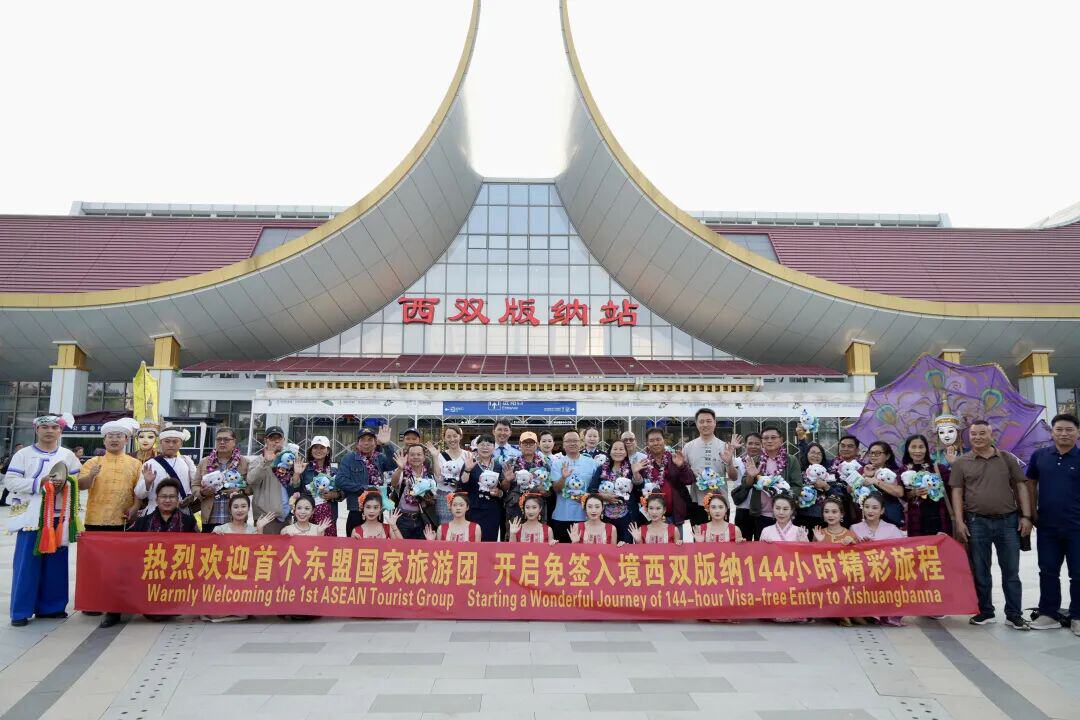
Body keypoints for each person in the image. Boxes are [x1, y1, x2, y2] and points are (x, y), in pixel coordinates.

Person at [949, 419, 1033, 630]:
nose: (977, 437)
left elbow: (1021, 486)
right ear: (969, 437)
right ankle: (986, 611)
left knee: (1011, 571)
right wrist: (959, 521)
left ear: (991, 434)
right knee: (980, 570)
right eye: (974, 434)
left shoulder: (1006, 458)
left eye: (982, 433)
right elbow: (957, 492)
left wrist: (1026, 516)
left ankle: (1014, 614)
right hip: (976, 522)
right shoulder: (961, 462)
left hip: (1008, 521)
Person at [4, 414, 82, 627]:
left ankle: (52, 607)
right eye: (45, 427)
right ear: (36, 430)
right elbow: (11, 482)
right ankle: (21, 611)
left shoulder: (67, 455)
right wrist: (40, 482)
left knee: (56, 564)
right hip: (32, 518)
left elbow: (76, 480)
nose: (49, 431)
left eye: (54, 427)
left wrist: (71, 481)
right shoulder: (23, 455)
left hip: (59, 517)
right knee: (27, 565)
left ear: (60, 431)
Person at [78, 417, 142, 628]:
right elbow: (81, 485)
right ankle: (93, 602)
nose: (114, 440)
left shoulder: (135, 464)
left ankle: (114, 607)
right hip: (95, 520)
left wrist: (135, 508)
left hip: (121, 521)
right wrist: (91, 476)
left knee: (117, 566)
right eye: (110, 436)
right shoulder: (92, 462)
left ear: (126, 440)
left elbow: (138, 492)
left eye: (118, 436)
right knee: (94, 565)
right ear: (104, 440)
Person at [1026, 413, 1080, 633]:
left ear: (1078, 433)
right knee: (1047, 570)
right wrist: (1031, 512)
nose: (1064, 434)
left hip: (1076, 526)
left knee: (1078, 573)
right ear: (1052, 432)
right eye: (1059, 429)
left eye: (1069, 430)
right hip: (1047, 526)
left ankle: (1077, 616)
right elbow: (1030, 483)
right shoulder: (1040, 456)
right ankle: (1048, 613)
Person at [851, 492, 906, 627]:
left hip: (886, 572)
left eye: (875, 508)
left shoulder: (892, 529)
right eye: (867, 507)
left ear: (882, 511)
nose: (870, 511)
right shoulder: (854, 528)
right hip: (862, 573)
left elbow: (902, 552)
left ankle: (886, 613)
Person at [682, 408, 744, 525]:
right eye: (701, 421)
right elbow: (684, 477)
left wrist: (729, 463)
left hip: (720, 502)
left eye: (709, 421)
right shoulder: (688, 447)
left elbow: (734, 477)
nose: (705, 424)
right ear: (696, 424)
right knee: (699, 535)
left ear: (715, 423)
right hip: (697, 502)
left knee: (720, 535)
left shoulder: (725, 446)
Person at [739, 427, 803, 539]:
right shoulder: (756, 460)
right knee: (763, 547)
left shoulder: (791, 460)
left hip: (783, 514)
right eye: (765, 438)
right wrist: (751, 475)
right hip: (761, 514)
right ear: (762, 441)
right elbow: (746, 484)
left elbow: (797, 486)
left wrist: (782, 494)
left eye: (773, 437)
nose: (769, 441)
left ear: (781, 440)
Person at [336, 425, 396, 537]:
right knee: (353, 543)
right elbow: (340, 481)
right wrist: (365, 489)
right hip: (356, 509)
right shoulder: (349, 458)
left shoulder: (380, 458)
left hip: (377, 510)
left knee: (377, 543)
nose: (366, 443)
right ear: (357, 443)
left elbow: (393, 464)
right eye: (363, 440)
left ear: (375, 442)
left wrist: (386, 444)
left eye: (370, 440)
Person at [192, 427, 251, 533]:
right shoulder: (204, 462)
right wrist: (202, 492)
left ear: (234, 442)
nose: (222, 442)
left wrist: (239, 490)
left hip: (235, 520)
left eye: (226, 439)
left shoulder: (244, 462)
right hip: (210, 518)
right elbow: (194, 486)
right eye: (219, 439)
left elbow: (252, 487)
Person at [634, 428, 694, 526]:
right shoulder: (643, 464)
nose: (655, 443)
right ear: (647, 443)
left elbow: (689, 480)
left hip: (674, 515)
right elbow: (638, 490)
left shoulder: (674, 459)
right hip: (651, 516)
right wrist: (636, 474)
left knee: (675, 536)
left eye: (658, 439)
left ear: (664, 441)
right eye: (652, 440)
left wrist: (682, 466)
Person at [814, 496, 859, 625]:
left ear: (841, 514)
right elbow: (814, 560)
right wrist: (820, 542)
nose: (830, 515)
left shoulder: (850, 534)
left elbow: (858, 561)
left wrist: (852, 544)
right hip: (825, 577)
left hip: (845, 578)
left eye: (834, 512)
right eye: (826, 511)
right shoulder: (819, 533)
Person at [135, 426, 198, 518]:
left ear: (181, 444)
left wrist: (191, 497)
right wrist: (147, 483)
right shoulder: (150, 464)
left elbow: (196, 485)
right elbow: (139, 494)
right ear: (161, 442)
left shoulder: (187, 462)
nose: (171, 445)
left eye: (175, 442)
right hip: (155, 513)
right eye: (167, 441)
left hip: (181, 513)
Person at [550, 430, 599, 542]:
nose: (572, 443)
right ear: (563, 444)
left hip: (586, 516)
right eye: (568, 441)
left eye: (575, 440)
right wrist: (563, 477)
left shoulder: (592, 463)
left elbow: (596, 489)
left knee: (585, 551)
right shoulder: (557, 463)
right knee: (563, 550)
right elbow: (556, 489)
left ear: (580, 443)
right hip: (562, 516)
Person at [588, 439, 638, 543]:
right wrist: (603, 496)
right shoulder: (601, 469)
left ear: (626, 452)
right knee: (607, 545)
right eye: (615, 449)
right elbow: (591, 489)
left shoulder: (632, 469)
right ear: (609, 452)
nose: (618, 452)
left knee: (625, 546)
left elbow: (639, 490)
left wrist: (637, 474)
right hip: (606, 516)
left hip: (627, 516)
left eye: (621, 449)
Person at [901, 434, 952, 537]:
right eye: (913, 447)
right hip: (916, 522)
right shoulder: (903, 470)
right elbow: (903, 495)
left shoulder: (938, 468)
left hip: (940, 520)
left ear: (926, 449)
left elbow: (953, 489)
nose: (917, 451)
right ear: (907, 449)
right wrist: (913, 493)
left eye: (921, 447)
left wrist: (953, 464)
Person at [460, 434, 506, 541]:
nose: (485, 447)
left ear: (494, 448)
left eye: (489, 445)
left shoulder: (498, 466)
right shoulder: (470, 463)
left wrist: (499, 492)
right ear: (477, 447)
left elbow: (503, 491)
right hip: (474, 509)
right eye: (482, 445)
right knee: (473, 540)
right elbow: (463, 486)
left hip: (492, 510)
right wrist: (467, 470)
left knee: (490, 541)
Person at [246, 426, 292, 534]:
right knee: (266, 545)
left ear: (283, 440)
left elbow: (294, 485)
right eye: (272, 438)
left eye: (279, 438)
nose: (276, 441)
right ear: (265, 440)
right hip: (266, 518)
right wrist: (265, 462)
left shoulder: (289, 460)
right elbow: (251, 480)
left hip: (287, 517)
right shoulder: (258, 460)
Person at [292, 436, 341, 537]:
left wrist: (334, 494)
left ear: (328, 451)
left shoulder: (334, 471)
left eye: (322, 448)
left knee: (327, 544)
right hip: (305, 516)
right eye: (315, 447)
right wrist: (297, 473)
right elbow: (295, 488)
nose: (318, 450)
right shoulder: (304, 468)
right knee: (305, 544)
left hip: (328, 518)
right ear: (311, 450)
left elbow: (343, 492)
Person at [391, 443, 441, 539]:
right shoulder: (402, 471)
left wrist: (435, 457)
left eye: (419, 454)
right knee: (401, 546)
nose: (416, 457)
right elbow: (394, 483)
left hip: (423, 517)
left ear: (424, 457)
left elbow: (438, 477)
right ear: (407, 457)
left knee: (421, 546)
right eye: (412, 455)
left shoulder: (429, 474)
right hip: (403, 518)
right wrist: (400, 468)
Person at [502, 431, 549, 527]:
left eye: (531, 443)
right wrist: (507, 480)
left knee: (537, 534)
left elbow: (549, 491)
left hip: (537, 508)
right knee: (514, 534)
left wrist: (544, 490)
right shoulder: (511, 463)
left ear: (537, 445)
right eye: (525, 443)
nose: (528, 446)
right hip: (515, 507)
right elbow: (503, 488)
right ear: (520, 445)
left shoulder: (544, 464)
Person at [797, 441, 844, 530]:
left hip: (823, 518)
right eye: (812, 452)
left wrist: (826, 486)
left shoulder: (829, 474)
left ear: (822, 457)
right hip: (802, 516)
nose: (816, 456)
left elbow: (838, 496)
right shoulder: (799, 471)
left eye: (819, 454)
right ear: (807, 454)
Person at [859, 441, 905, 528]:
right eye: (871, 453)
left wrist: (876, 481)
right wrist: (864, 475)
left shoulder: (894, 472)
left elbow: (899, 492)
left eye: (877, 453)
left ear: (887, 456)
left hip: (889, 514)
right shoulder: (863, 469)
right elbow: (850, 489)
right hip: (865, 513)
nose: (873, 456)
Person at [128, 478, 198, 532]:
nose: (167, 500)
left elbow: (197, 542)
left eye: (172, 496)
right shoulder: (142, 522)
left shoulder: (189, 522)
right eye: (164, 496)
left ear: (177, 500)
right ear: (157, 500)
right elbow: (128, 540)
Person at [732, 433, 767, 539]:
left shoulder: (765, 462)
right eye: (750, 443)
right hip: (743, 508)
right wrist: (732, 449)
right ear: (745, 445)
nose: (753, 446)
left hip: (761, 510)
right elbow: (731, 472)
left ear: (762, 445)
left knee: (759, 542)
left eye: (757, 444)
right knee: (742, 542)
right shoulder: (737, 461)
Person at [436, 425, 471, 525]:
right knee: (445, 526)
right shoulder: (440, 456)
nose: (452, 439)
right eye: (448, 436)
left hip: (463, 497)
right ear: (444, 438)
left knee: (463, 526)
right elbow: (438, 479)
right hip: (444, 496)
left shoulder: (468, 455)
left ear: (460, 436)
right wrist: (434, 457)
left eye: (455, 436)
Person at [260, 494, 332, 537]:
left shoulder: (318, 529)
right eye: (299, 508)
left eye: (307, 508)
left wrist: (319, 534)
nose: (302, 512)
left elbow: (321, 552)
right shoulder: (286, 530)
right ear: (294, 510)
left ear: (312, 511)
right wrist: (259, 528)